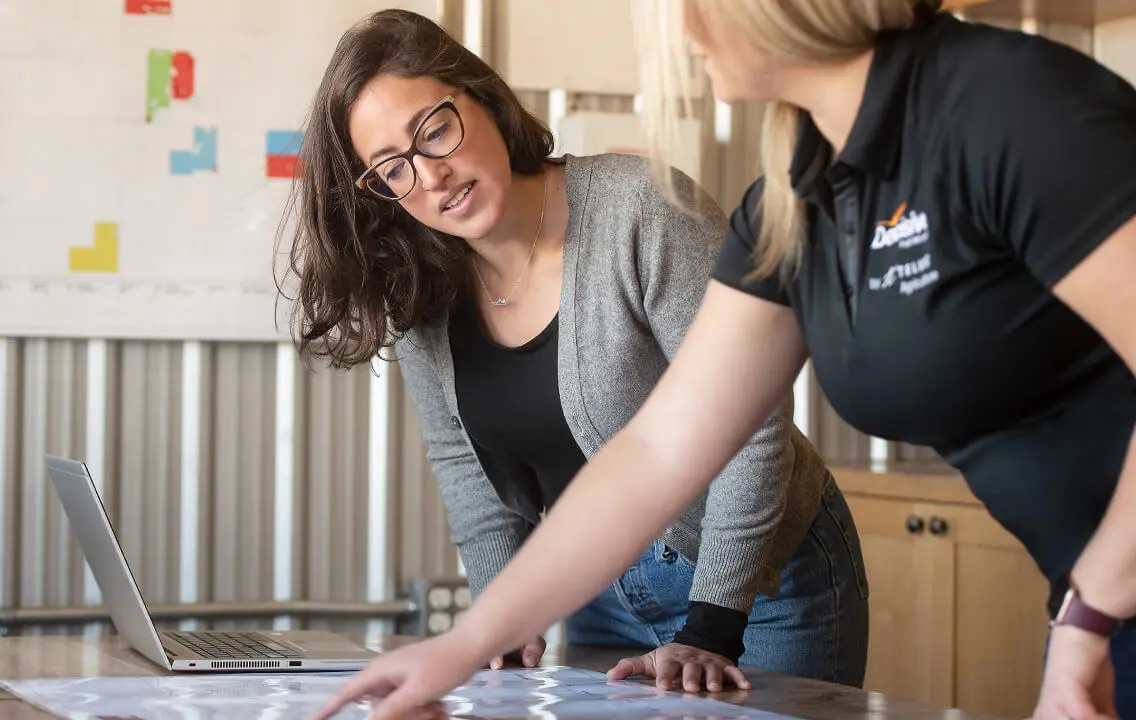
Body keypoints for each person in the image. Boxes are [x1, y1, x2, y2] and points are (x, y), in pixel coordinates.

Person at [310, 1, 1136, 719]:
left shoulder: (1010, 104)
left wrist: (1090, 615)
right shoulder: (798, 185)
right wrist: (466, 646)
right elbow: (661, 450)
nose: (679, 30)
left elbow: (745, 443)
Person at [282, 6, 870, 699]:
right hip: (593, 586)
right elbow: (464, 468)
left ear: (486, 98)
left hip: (762, 580)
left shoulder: (641, 211)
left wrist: (712, 624)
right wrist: (502, 616)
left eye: (435, 131)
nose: (430, 176)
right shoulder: (419, 288)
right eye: (392, 168)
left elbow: (751, 428)